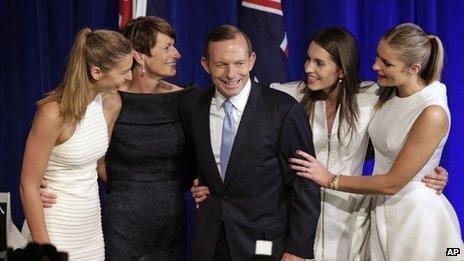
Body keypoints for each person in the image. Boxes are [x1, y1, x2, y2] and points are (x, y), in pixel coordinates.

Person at [192, 26, 450, 260]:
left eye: (319, 63)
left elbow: (413, 117)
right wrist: (210, 182)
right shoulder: (286, 96)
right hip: (297, 222)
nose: (307, 68)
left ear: (341, 68)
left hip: (353, 221)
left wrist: (428, 170)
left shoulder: (374, 98)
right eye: (307, 59)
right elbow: (235, 125)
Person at [290, 23, 463, 260]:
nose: (375, 66)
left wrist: (330, 179)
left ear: (414, 68)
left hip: (417, 220)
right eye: (378, 57)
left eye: (387, 63)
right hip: (383, 212)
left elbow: (392, 183)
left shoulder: (432, 110)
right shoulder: (388, 93)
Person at [180, 25, 320, 261]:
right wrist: (196, 182)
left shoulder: (283, 110)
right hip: (209, 243)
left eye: (239, 63)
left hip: (262, 244)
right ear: (205, 65)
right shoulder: (192, 105)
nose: (231, 73)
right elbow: (191, 163)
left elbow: (304, 184)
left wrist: (297, 249)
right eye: (221, 64)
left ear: (252, 60)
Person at [20, 28, 133, 260]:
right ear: (97, 72)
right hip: (54, 227)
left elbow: (100, 165)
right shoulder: (53, 114)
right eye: (124, 71)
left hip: (90, 231)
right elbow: (28, 185)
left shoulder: (111, 103)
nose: (130, 77)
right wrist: (45, 251)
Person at [102, 16, 194, 260]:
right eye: (166, 47)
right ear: (139, 55)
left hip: (171, 220)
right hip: (123, 221)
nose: (177, 54)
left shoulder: (185, 99)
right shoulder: (109, 100)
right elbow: (94, 159)